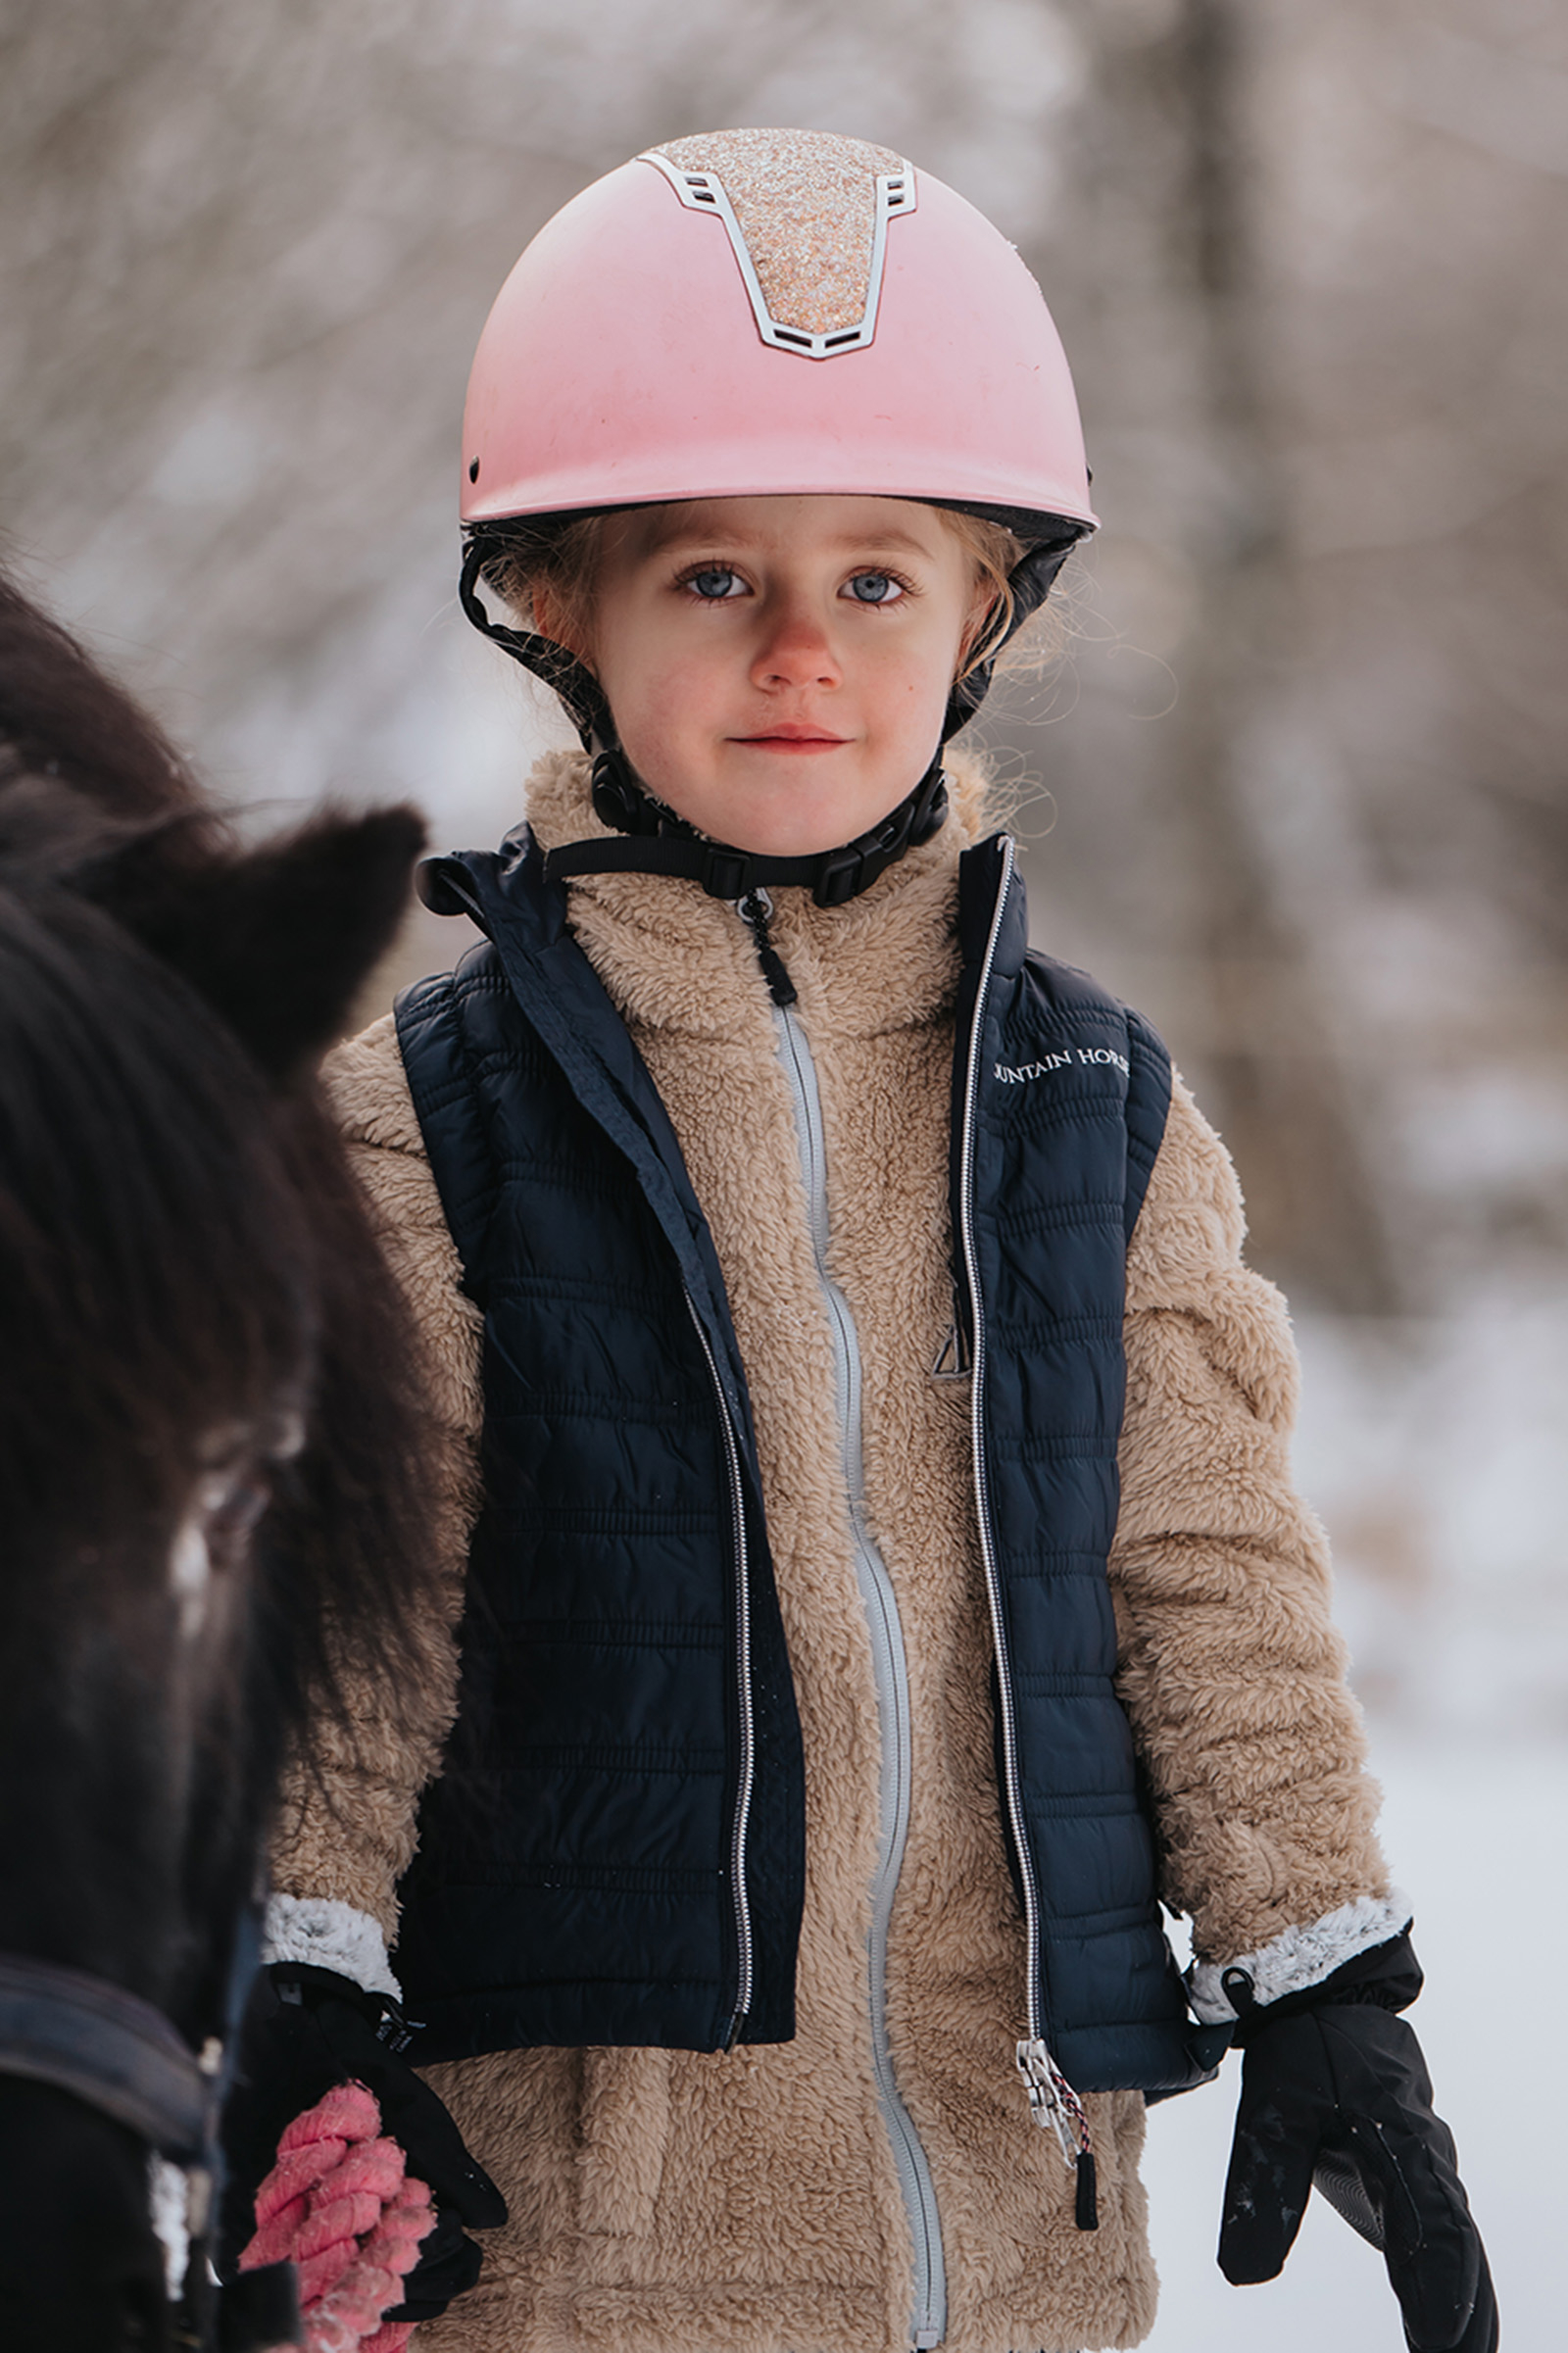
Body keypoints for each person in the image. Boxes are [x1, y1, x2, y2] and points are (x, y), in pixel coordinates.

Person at [221, 129, 1496, 2353]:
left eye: (880, 582)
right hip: (571, 2240)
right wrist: (300, 1980)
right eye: (713, 576)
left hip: (1009, 2240)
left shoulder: (1090, 1106)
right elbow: (357, 1609)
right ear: (554, 601)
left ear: (986, 615)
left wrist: (1318, 1970)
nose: (804, 650)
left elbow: (1203, 1575)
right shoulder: (422, 1120)